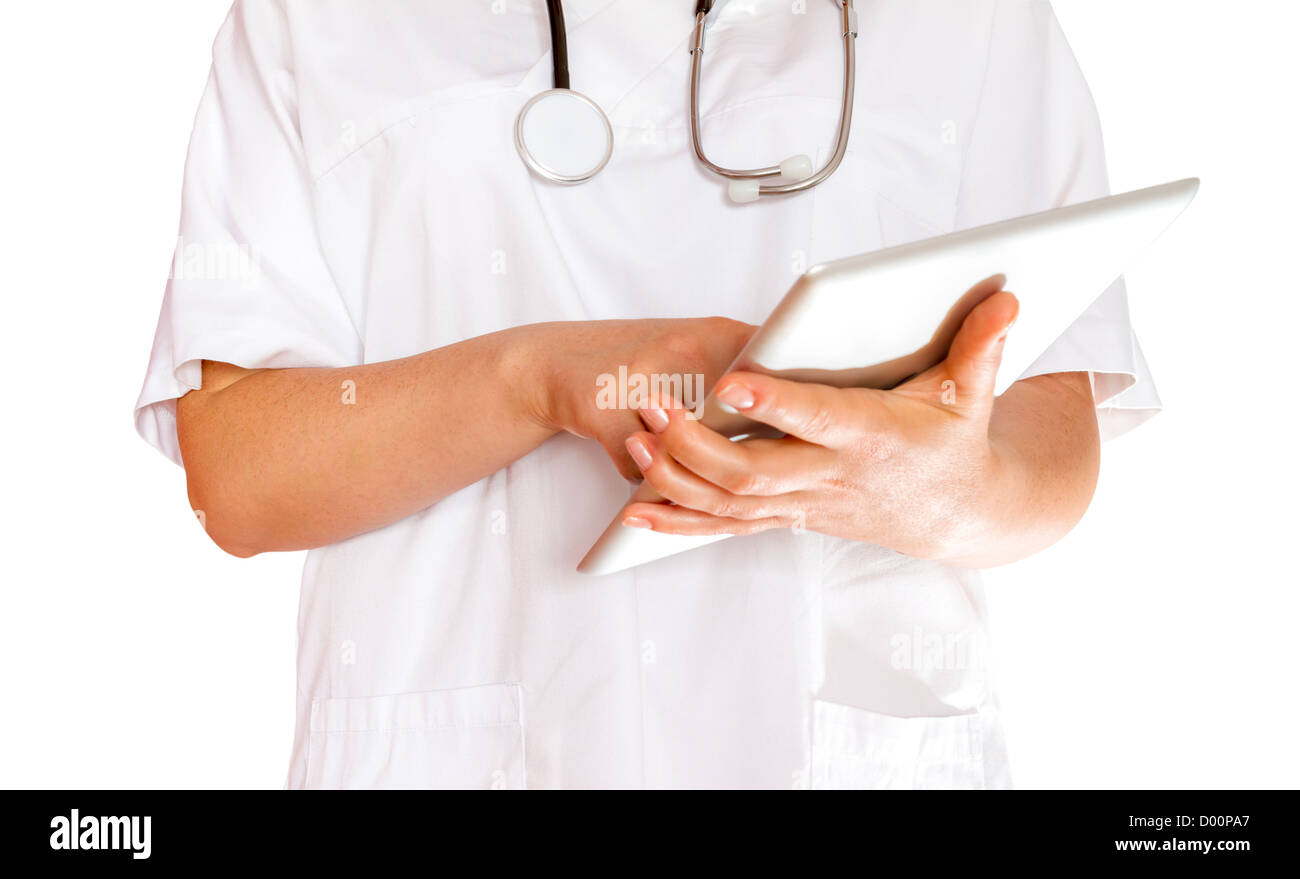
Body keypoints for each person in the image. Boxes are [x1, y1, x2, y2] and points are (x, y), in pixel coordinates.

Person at [135, 0, 1159, 789]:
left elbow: (1050, 449)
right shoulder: (308, 20)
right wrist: (535, 381)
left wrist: (921, 490)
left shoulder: (974, 22)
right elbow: (240, 473)